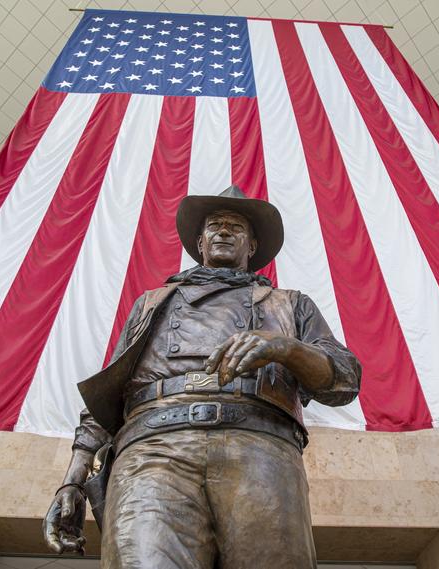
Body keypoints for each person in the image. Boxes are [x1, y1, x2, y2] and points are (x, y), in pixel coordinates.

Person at [43, 185, 361, 568]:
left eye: (235, 226)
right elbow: (109, 393)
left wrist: (283, 347)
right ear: (200, 241)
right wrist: (73, 479)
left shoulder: (289, 304)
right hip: (154, 453)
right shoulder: (151, 302)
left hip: (260, 449)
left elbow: (344, 380)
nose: (224, 231)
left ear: (253, 245)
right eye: (215, 225)